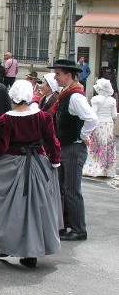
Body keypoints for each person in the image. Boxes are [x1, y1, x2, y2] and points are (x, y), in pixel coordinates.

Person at [0, 80, 62, 268]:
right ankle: (31, 252)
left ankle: (8, 245)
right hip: (38, 166)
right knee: (35, 210)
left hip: (13, 167)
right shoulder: (42, 117)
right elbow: (52, 142)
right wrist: (54, 161)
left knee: (11, 211)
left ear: (13, 96)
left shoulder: (6, 119)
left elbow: (1, 147)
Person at [50, 59, 98, 241]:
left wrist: (83, 136)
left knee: (71, 189)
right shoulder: (66, 93)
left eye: (58, 74)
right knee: (63, 188)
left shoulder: (75, 96)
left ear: (68, 75)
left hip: (73, 148)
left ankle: (79, 229)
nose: (56, 77)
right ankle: (65, 225)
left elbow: (92, 119)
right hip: (66, 146)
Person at [83, 78, 117, 177]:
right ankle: (107, 170)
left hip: (99, 124)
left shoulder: (96, 99)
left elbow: (94, 113)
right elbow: (114, 115)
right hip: (109, 124)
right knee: (108, 146)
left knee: (96, 145)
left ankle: (95, 168)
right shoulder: (112, 100)